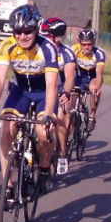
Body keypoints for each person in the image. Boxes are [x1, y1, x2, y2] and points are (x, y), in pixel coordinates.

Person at [0, 5, 59, 201]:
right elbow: (0, 79)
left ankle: (44, 168)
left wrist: (49, 115)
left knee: (43, 133)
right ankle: (8, 187)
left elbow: (52, 84)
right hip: (21, 92)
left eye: (28, 31)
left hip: (43, 92)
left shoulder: (48, 48)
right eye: (18, 32)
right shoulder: (7, 45)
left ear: (37, 29)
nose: (22, 36)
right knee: (6, 131)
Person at [39, 17, 76, 175]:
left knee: (60, 118)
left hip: (59, 88)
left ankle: (61, 153)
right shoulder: (38, 49)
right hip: (40, 87)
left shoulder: (66, 53)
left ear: (57, 37)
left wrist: (66, 92)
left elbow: (69, 78)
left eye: (47, 36)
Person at [71, 29, 106, 131]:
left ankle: (92, 116)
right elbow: (70, 68)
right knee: (72, 96)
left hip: (93, 77)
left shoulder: (99, 53)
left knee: (93, 89)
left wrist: (98, 89)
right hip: (79, 76)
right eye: (84, 44)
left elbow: (99, 73)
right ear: (79, 43)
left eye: (89, 44)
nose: (86, 47)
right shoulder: (74, 50)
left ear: (93, 43)